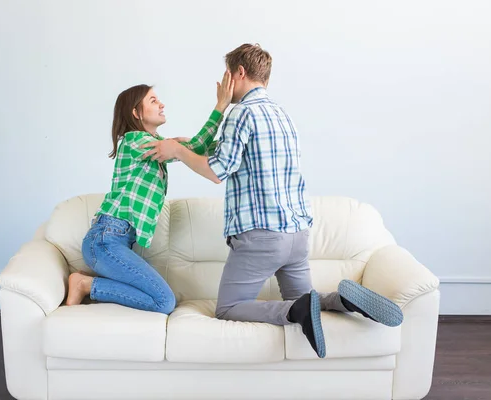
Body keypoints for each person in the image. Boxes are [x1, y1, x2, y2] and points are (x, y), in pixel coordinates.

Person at [143, 44, 403, 357]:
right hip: (297, 235)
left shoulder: (241, 113)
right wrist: (193, 144)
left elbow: (217, 171)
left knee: (229, 308)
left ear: (239, 73)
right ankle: (340, 301)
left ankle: (292, 313)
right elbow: (244, 155)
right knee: (306, 300)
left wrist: (177, 152)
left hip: (262, 237)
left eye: (227, 75)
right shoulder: (282, 114)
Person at [65, 73, 235, 314]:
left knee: (161, 300)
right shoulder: (135, 141)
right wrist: (220, 106)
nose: (161, 104)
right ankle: (85, 284)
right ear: (136, 112)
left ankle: (87, 283)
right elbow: (193, 147)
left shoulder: (153, 146)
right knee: (163, 302)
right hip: (105, 240)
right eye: (153, 100)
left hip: (115, 240)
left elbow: (197, 148)